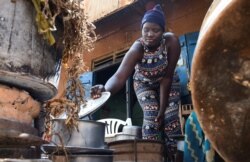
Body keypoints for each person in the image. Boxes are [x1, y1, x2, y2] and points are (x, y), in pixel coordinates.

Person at [91, 4, 181, 160]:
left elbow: (167, 78)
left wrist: (163, 109)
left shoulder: (171, 42)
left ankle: (174, 157)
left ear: (163, 31)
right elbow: (119, 77)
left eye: (155, 30)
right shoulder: (137, 48)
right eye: (146, 30)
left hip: (168, 81)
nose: (150, 34)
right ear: (142, 30)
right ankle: (151, 157)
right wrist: (104, 89)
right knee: (151, 116)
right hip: (143, 83)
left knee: (169, 119)